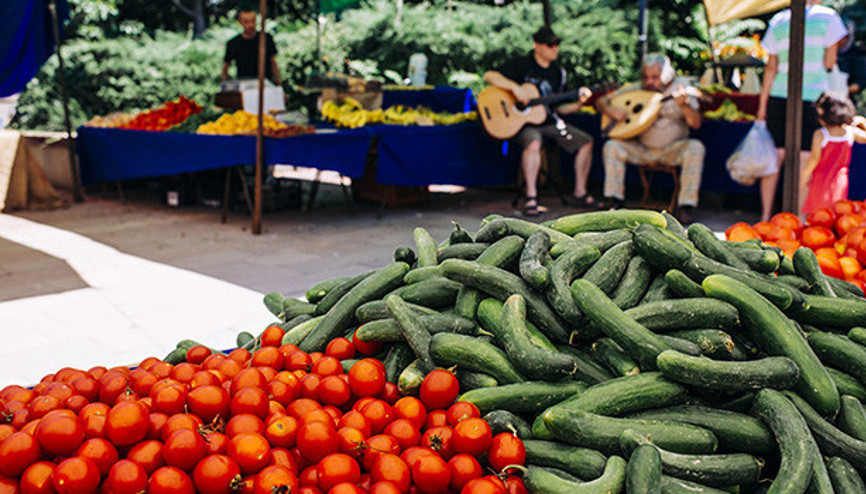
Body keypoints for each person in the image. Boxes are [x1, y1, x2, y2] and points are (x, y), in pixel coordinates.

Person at [483, 26, 596, 217]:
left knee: (586, 141)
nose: (555, 48)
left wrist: (578, 104)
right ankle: (531, 198)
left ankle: (580, 192)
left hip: (549, 121)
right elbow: (489, 76)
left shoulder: (558, 73)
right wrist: (515, 89)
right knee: (534, 142)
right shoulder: (521, 64)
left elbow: (559, 107)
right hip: (524, 124)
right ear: (537, 45)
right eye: (550, 44)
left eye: (557, 44)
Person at [755, 0, 847, 222]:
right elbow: (830, 61)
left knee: (774, 160)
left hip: (779, 96)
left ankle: (765, 217)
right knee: (805, 161)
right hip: (812, 99)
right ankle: (797, 220)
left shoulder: (779, 20)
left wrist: (761, 107)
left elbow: (771, 67)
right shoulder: (828, 17)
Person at [597, 53, 705, 224]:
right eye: (646, 77)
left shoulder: (681, 88)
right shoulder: (638, 88)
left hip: (672, 150)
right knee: (612, 146)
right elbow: (602, 101)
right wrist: (610, 111)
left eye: (654, 77)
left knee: (695, 147)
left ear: (667, 75)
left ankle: (686, 206)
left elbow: (696, 123)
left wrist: (684, 106)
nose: (649, 82)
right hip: (642, 150)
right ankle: (615, 202)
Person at [800, 92, 866, 215]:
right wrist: (862, 122)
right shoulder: (850, 132)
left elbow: (814, 159)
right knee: (837, 214)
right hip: (840, 179)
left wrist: (804, 176)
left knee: (818, 214)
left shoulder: (820, 134)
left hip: (820, 180)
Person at [222, 10, 282, 86]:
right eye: (246, 22)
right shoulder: (233, 43)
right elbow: (225, 68)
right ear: (239, 22)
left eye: (253, 21)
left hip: (266, 83)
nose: (250, 25)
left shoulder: (266, 38)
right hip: (244, 84)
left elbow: (273, 63)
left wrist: (279, 85)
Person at [838, 17, 866, 99]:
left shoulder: (857, 55)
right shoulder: (826, 51)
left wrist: (843, 91)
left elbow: (860, 83)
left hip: (845, 102)